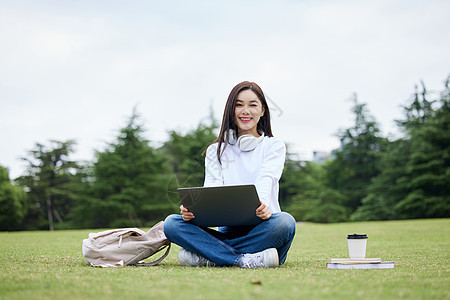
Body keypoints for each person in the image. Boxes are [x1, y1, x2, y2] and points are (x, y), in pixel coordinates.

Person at [163, 81, 296, 268]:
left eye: (252, 105)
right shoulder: (215, 150)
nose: (245, 111)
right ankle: (244, 259)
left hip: (264, 229)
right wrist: (194, 211)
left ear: (263, 110)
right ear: (231, 110)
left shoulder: (273, 146)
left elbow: (266, 178)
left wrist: (263, 204)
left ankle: (211, 255)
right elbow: (212, 188)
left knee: (285, 222)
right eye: (239, 104)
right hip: (227, 230)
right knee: (171, 224)